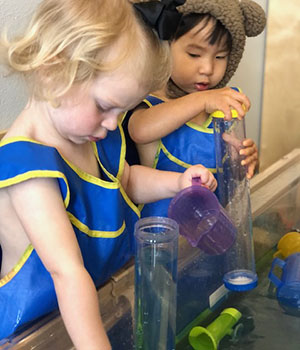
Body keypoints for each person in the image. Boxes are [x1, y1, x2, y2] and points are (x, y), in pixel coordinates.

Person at [0, 0, 217, 348]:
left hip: (88, 313)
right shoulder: (28, 168)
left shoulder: (89, 132)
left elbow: (126, 181)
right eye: (104, 106)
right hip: (29, 334)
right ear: (54, 72)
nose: (113, 123)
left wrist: (175, 183)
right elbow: (66, 272)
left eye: (123, 110)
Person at [123, 0, 266, 218]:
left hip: (214, 229)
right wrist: (202, 100)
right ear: (164, 46)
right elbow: (139, 130)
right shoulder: (151, 101)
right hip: (163, 234)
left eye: (220, 57)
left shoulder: (223, 103)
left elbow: (231, 177)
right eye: (194, 54)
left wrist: (242, 161)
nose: (208, 69)